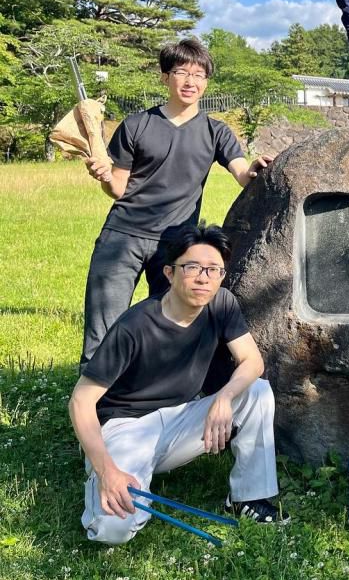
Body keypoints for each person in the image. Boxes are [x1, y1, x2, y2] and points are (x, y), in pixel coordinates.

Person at [68, 224, 287, 545]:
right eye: (193, 268)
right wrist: (107, 471)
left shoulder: (221, 303)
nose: (204, 278)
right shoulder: (135, 326)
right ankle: (106, 478)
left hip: (182, 417)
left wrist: (223, 399)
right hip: (126, 429)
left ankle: (248, 499)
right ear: (169, 273)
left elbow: (252, 362)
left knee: (255, 390)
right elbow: (80, 402)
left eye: (214, 270)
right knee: (113, 530)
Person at [81, 38, 270, 367]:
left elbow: (242, 173)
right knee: (104, 328)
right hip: (123, 235)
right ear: (165, 77)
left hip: (174, 244)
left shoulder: (216, 132)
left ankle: (155, 397)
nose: (190, 81)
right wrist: (104, 176)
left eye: (199, 74)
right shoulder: (136, 125)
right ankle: (92, 408)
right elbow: (118, 189)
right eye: (181, 72)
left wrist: (255, 169)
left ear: (206, 82)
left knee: (167, 324)